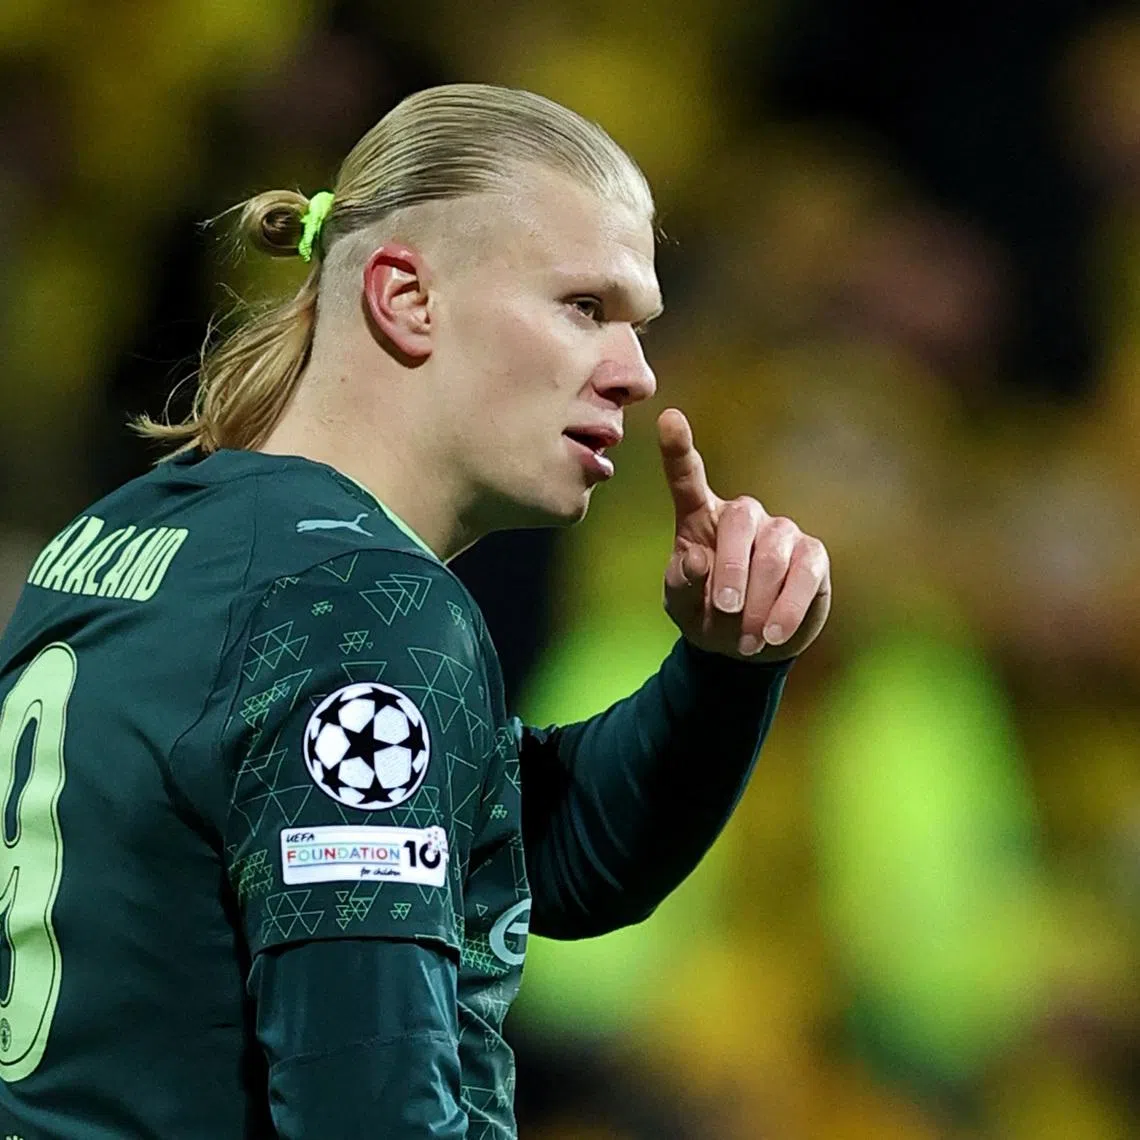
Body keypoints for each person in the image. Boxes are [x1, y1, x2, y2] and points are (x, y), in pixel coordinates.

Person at [0, 84, 830, 1139]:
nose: (635, 373)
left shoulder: (114, 541)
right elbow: (370, 1108)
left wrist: (721, 669)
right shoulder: (359, 609)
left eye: (638, 326)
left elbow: (539, 857)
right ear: (406, 298)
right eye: (587, 308)